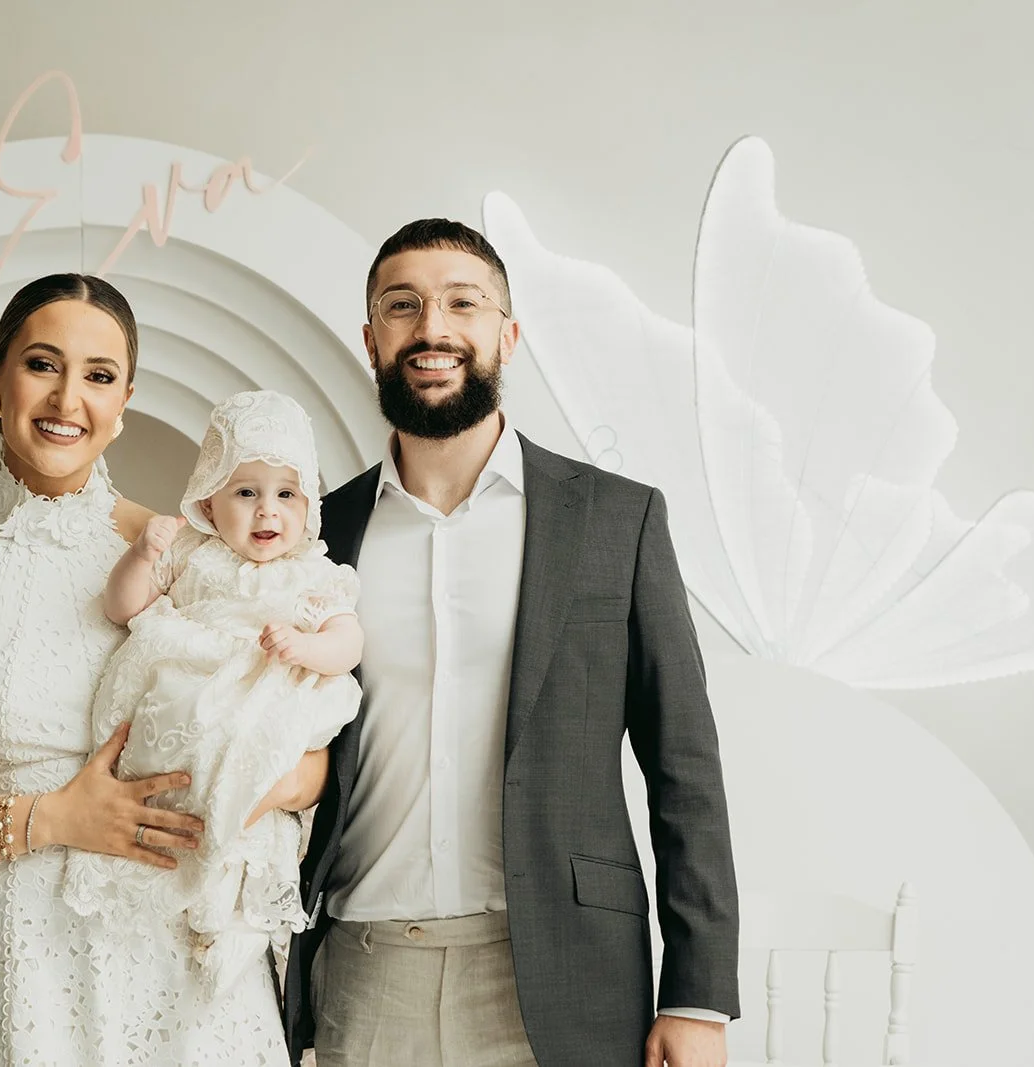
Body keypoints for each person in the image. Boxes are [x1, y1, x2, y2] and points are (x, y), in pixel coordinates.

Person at [0, 274, 325, 1066]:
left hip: (187, 978)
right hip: (13, 969)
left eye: (98, 376)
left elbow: (293, 719)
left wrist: (289, 778)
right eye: (41, 364)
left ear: (125, 398)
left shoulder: (188, 559)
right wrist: (52, 818)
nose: (68, 399)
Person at [283, 221, 741, 1067]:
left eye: (464, 301)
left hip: (563, 975)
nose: (433, 327)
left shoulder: (618, 519)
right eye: (403, 305)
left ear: (509, 334)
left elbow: (686, 765)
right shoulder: (313, 531)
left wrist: (698, 992)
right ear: (372, 339)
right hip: (363, 969)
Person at [63, 389, 364, 998]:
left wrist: (307, 649)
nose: (266, 512)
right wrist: (142, 557)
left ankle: (232, 921)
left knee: (251, 804)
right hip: (191, 696)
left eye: (286, 494)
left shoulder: (314, 573)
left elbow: (348, 641)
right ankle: (182, 889)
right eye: (245, 492)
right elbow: (123, 607)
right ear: (209, 499)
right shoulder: (192, 557)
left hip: (264, 693)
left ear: (308, 501)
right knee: (180, 798)